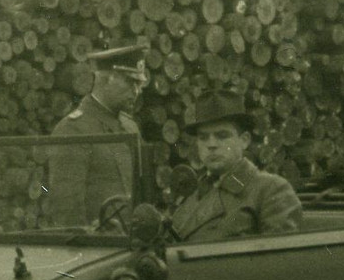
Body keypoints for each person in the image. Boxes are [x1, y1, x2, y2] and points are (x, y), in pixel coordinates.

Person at [169, 90, 302, 242]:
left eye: (222, 136)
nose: (211, 144)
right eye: (203, 137)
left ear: (244, 140)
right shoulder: (196, 193)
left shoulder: (270, 190)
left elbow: (279, 260)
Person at [44, 44, 147, 226]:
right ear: (107, 79)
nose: (136, 91)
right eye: (130, 82)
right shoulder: (72, 130)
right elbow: (66, 210)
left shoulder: (130, 127)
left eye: (139, 84)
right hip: (99, 247)